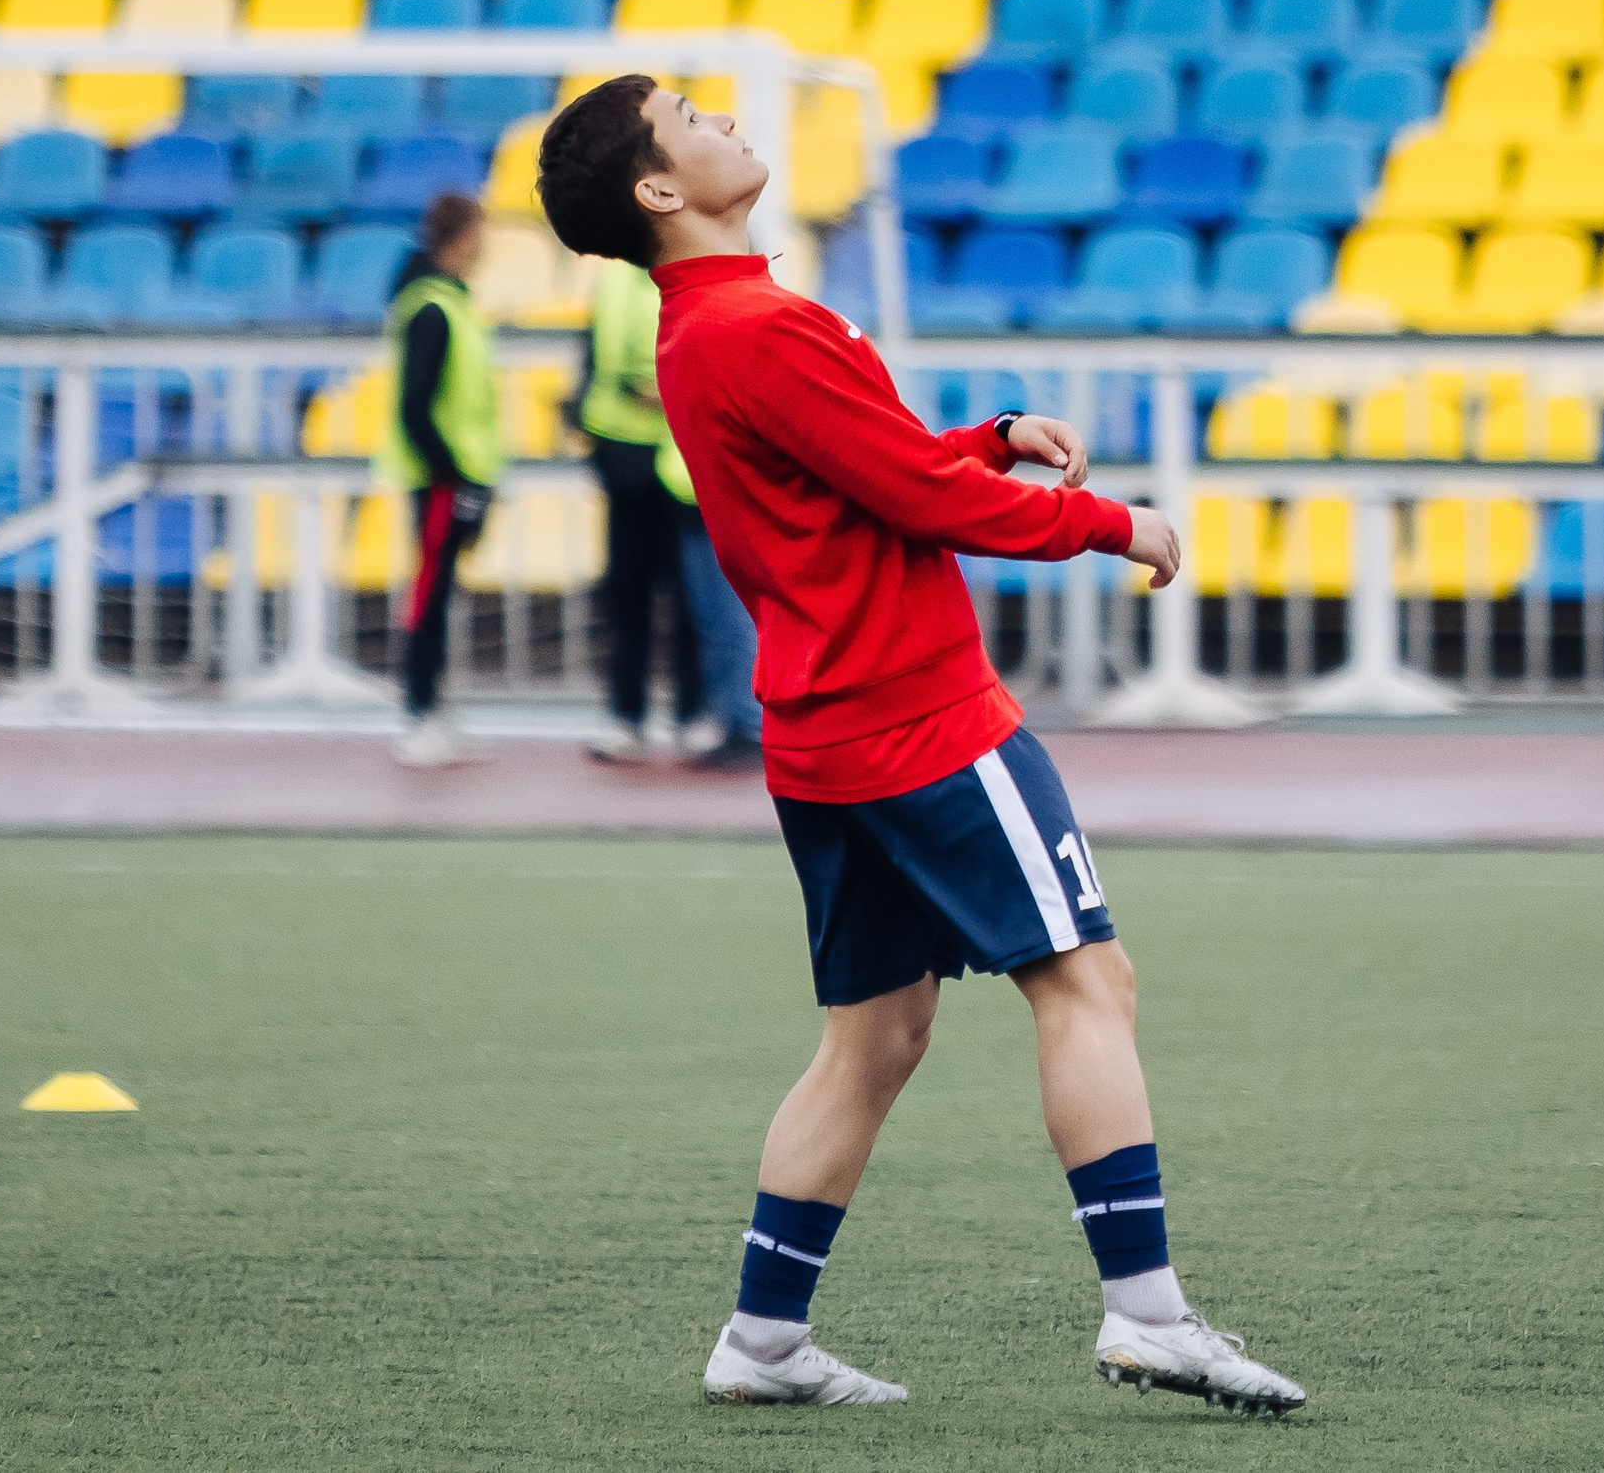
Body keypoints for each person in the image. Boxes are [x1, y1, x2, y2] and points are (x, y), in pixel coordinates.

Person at [535, 76, 1305, 1417]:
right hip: (919, 715)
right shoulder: (760, 323)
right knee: (1087, 981)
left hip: (824, 730)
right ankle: (1148, 1316)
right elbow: (913, 495)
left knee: (874, 1037)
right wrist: (1108, 523)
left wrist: (990, 441)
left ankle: (763, 1339)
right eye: (690, 116)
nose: (723, 118)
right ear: (657, 189)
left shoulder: (708, 325)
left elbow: (859, 475)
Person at [375, 194, 498, 769]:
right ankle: (417, 712)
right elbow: (415, 407)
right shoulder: (433, 310)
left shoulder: (450, 303)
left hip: (455, 477)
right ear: (462, 236)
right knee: (428, 596)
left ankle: (430, 709)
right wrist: (454, 471)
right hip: (441, 481)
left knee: (440, 595)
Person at [579, 258, 707, 763]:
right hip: (626, 462)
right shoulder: (613, 286)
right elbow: (594, 367)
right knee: (627, 593)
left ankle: (690, 711)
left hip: (680, 464)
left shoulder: (689, 285)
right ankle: (626, 713)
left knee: (689, 594)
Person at [656, 434, 762, 771]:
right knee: (714, 621)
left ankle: (748, 724)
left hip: (720, 500)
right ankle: (735, 722)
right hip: (696, 502)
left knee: (730, 621)